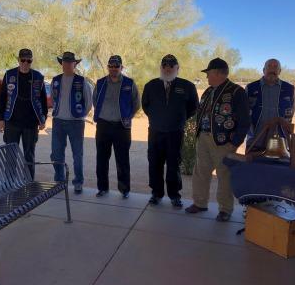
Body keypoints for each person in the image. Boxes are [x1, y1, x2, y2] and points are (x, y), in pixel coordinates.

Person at [185, 58, 250, 222]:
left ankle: (225, 209)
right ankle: (200, 203)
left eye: (208, 73)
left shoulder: (236, 92)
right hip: (204, 138)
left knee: (224, 175)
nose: (207, 77)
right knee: (200, 172)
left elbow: (245, 120)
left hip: (223, 142)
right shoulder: (207, 91)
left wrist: (234, 143)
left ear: (217, 73)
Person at [142, 54, 199, 208]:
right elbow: (145, 106)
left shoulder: (187, 86)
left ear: (177, 68)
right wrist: (157, 118)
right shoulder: (151, 85)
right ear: (161, 68)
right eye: (165, 66)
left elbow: (193, 107)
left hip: (175, 132)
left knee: (174, 164)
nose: (168, 69)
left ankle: (174, 195)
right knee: (155, 163)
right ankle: (156, 193)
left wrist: (179, 119)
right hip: (155, 132)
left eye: (171, 66)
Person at [93, 55, 140, 199]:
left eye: (116, 66)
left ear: (121, 67)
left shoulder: (129, 83)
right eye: (111, 66)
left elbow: (136, 103)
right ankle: (102, 188)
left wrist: (127, 116)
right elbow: (95, 100)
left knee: (122, 159)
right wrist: (104, 114)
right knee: (101, 158)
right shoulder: (100, 83)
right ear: (108, 67)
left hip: (122, 127)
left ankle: (124, 189)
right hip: (103, 125)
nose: (113, 69)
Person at [0, 48, 48, 178]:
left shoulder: (38, 77)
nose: (26, 63)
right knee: (10, 154)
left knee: (29, 155)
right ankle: (9, 182)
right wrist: (1, 119)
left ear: (31, 61)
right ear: (18, 60)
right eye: (23, 60)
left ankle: (29, 182)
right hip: (12, 121)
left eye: (29, 60)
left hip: (31, 123)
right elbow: (2, 97)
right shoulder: (9, 75)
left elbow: (43, 100)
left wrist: (43, 119)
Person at [50, 52, 93, 194]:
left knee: (77, 154)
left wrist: (81, 115)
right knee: (56, 153)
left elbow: (88, 101)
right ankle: (60, 180)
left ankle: (78, 182)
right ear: (61, 64)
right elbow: (53, 99)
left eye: (70, 62)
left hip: (76, 123)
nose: (67, 64)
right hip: (58, 122)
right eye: (65, 62)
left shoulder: (82, 81)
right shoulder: (55, 80)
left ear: (75, 64)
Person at [245, 58, 295, 150]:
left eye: (275, 67)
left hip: (281, 141)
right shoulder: (250, 88)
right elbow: (244, 112)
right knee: (253, 164)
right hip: (255, 139)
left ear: (279, 71)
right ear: (264, 70)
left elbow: (292, 111)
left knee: (279, 164)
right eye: (269, 66)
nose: (272, 70)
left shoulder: (290, 89)